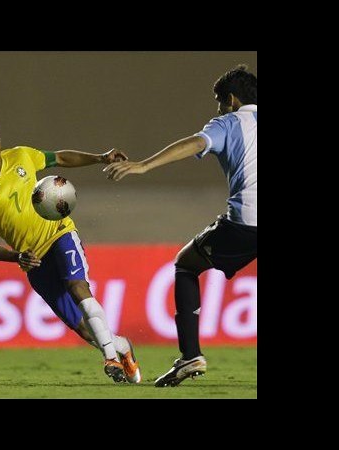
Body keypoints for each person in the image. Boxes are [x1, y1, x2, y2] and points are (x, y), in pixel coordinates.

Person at [0, 119, 142, 384]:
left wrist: (101, 157)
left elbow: (61, 158)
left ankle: (110, 357)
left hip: (59, 234)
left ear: (0, 143)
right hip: (33, 260)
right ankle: (121, 346)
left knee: (78, 287)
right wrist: (16, 257)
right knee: (84, 330)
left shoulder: (21, 156)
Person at [104, 64, 257, 387]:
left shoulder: (228, 122)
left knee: (186, 264)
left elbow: (194, 143)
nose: (217, 108)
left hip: (247, 220)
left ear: (231, 99)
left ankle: (190, 356)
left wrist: (144, 166)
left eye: (219, 101)